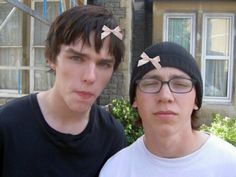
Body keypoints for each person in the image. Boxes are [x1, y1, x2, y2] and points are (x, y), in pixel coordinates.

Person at [0, 5, 126, 177]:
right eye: (77, 58)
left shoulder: (112, 135)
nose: (90, 77)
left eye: (104, 64)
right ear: (52, 57)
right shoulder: (7, 125)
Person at [99, 42, 236, 177]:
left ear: (196, 100)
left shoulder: (230, 165)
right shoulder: (115, 170)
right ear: (135, 98)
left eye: (180, 84)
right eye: (151, 84)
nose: (165, 96)